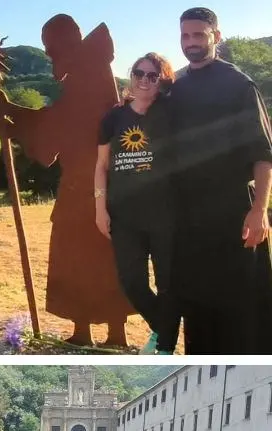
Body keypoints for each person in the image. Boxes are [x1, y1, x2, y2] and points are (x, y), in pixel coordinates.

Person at [0, 15, 133, 347]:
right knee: (77, 258)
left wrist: (12, 110)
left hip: (99, 186)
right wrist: (11, 124)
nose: (50, 56)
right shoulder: (84, 69)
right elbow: (59, 128)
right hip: (80, 186)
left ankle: (115, 333)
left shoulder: (91, 68)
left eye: (50, 47)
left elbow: (68, 120)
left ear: (66, 40)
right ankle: (84, 329)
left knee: (102, 258)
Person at [169, 7, 272, 353]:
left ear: (217, 35)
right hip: (189, 218)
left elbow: (263, 154)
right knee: (198, 306)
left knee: (243, 304)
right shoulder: (177, 87)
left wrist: (260, 210)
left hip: (234, 213)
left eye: (199, 35)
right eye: (185, 35)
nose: (191, 42)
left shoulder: (239, 85)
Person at [94, 52, 179, 354]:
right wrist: (99, 207)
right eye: (138, 73)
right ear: (131, 76)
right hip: (125, 216)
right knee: (132, 283)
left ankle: (165, 346)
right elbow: (102, 166)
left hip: (166, 214)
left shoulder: (171, 113)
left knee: (168, 284)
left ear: (162, 80)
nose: (144, 80)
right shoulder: (114, 117)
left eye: (152, 75)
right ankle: (165, 331)